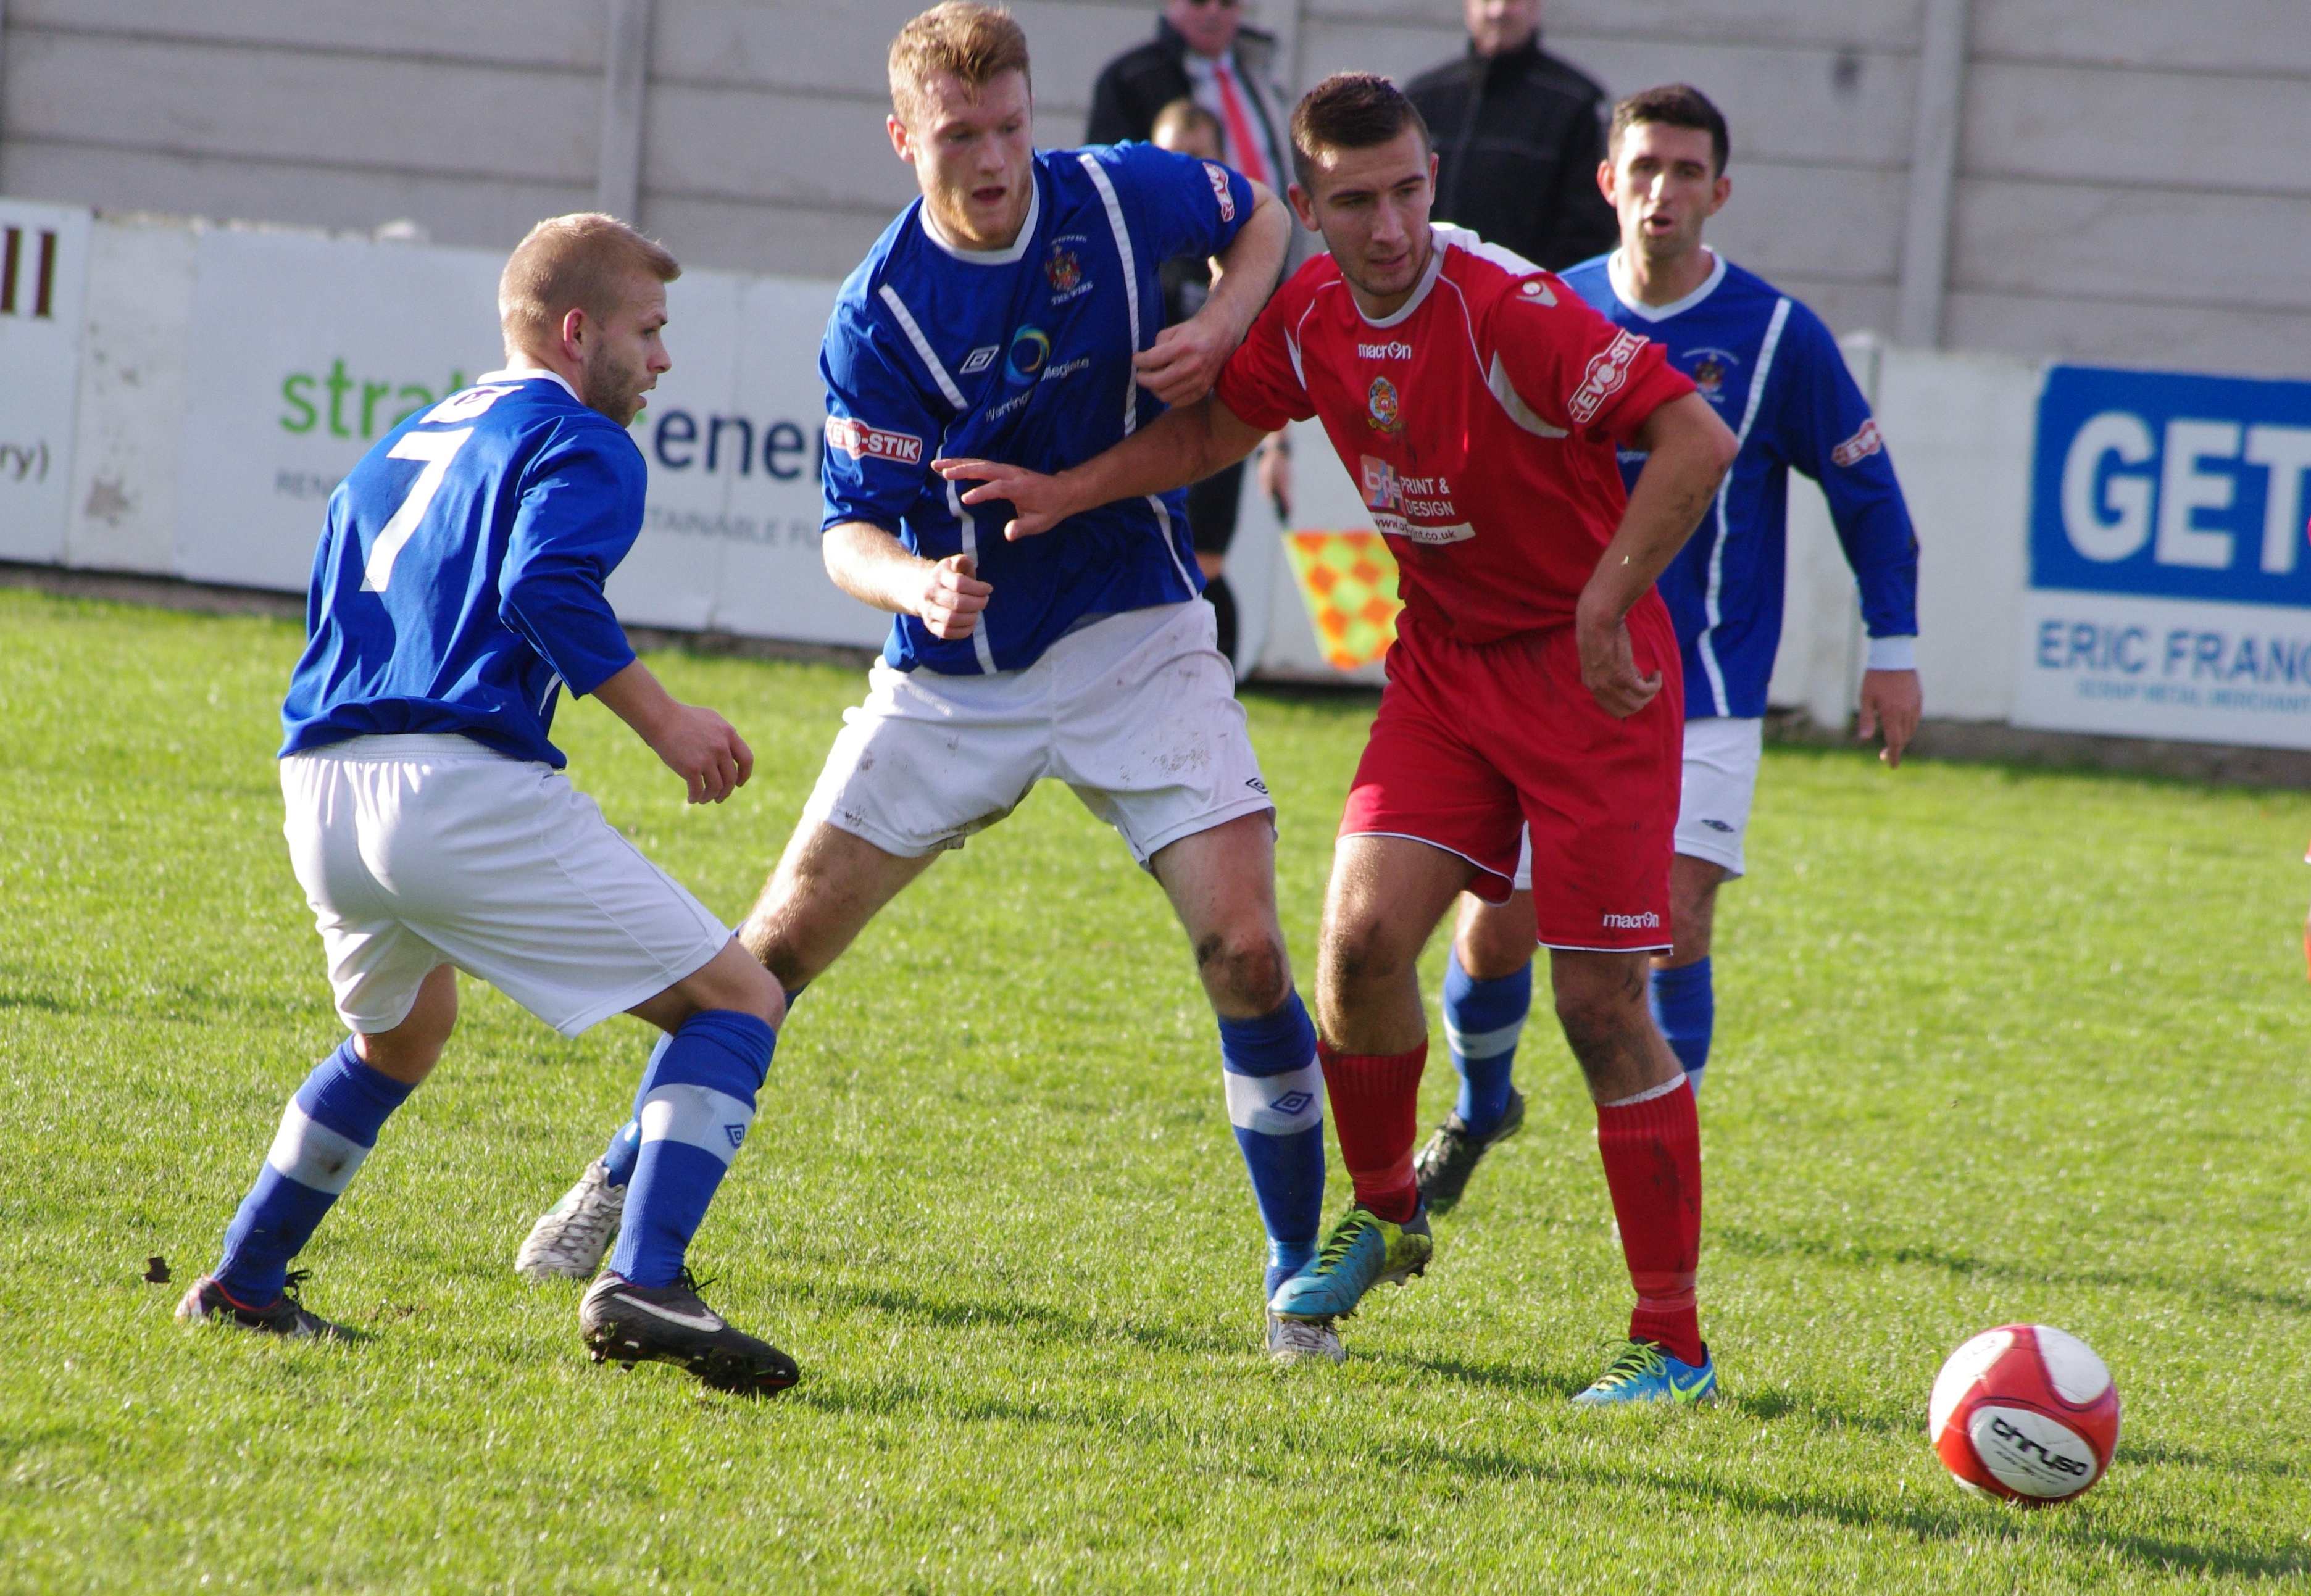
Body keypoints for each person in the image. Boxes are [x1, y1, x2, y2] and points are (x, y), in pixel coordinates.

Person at [515, 4, 1345, 1367]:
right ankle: (618, 1181)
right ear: (905, 140)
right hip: (953, 673)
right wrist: (916, 584)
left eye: (1011, 126)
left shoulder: (1118, 195)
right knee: (767, 959)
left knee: (1248, 952)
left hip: (1135, 631)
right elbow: (847, 534)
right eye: (962, 135)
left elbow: (1259, 213)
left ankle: (1297, 1286)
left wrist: (1225, 328)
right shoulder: (879, 310)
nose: (996, 158)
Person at [936, 72, 1740, 1403]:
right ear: (1304, 208)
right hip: (1444, 668)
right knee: (1360, 945)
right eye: (1355, 203)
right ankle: (1385, 1211)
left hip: (1587, 681)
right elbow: (1213, 426)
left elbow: (1694, 437)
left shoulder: (1507, 309)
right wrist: (1071, 490)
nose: (1390, 228)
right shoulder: (1309, 311)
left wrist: (1607, 603)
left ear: (1434, 180)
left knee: (1601, 1009)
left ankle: (1673, 1343)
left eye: (1411, 193)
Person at [175, 214, 802, 1395]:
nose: (662, 362)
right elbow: (542, 585)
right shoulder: (583, 438)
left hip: (319, 787)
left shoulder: (402, 443)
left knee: (399, 1037)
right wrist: (667, 722)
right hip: (453, 786)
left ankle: (244, 1284)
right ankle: (645, 1277)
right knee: (738, 1000)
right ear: (579, 333)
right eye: (649, 333)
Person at [1414, 83, 1924, 1215]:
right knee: (1495, 929)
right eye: (1642, 167)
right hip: (1548, 679)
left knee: (1674, 925)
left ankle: (1659, 1172)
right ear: (1606, 183)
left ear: (1718, 192)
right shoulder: (1544, 310)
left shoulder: (1774, 336)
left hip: (1702, 690)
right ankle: (1477, 1105)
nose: (1662, 191)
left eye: (1686, 172)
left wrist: (1890, 646)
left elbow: (1866, 495)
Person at [1149, 98, 1290, 668]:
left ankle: (1220, 674)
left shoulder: (1239, 249)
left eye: (1198, 157)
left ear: (1220, 163)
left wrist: (1277, 449)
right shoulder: (1130, 243)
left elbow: (1268, 355)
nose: (1184, 170)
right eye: (1172, 157)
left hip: (1213, 430)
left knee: (1204, 562)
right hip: (1132, 437)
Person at [1404, 0, 1617, 272]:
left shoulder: (1577, 102)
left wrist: (1530, 288)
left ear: (1535, 6)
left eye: (1513, 1)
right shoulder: (1424, 97)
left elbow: (1591, 225)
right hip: (1429, 294)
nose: (1498, 11)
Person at [1088, 0, 1290, 196]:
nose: (1213, 11)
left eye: (1226, 2)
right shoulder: (1132, 78)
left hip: (1270, 222)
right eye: (1199, 1)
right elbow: (1108, 180)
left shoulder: (1260, 71)